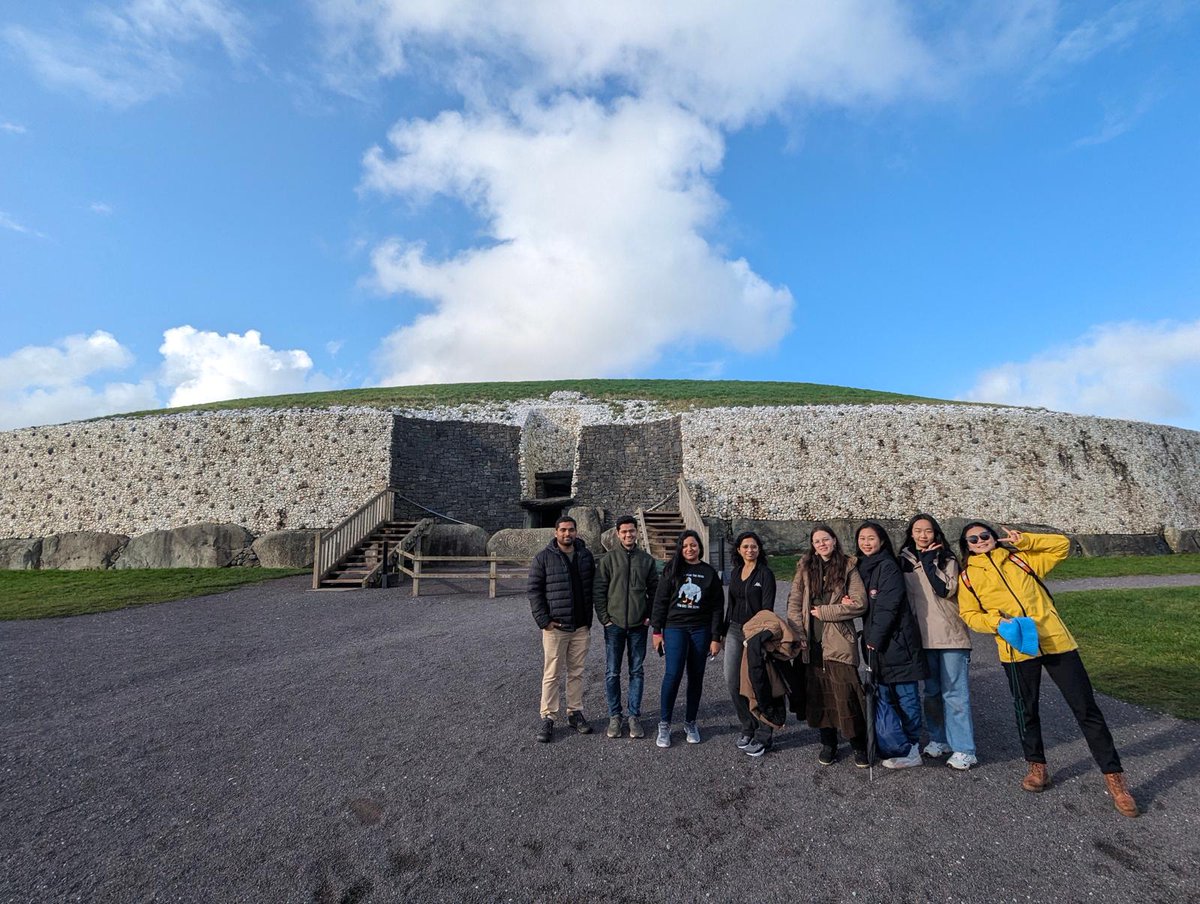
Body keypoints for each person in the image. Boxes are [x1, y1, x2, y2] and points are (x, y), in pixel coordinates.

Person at [957, 522, 1138, 817]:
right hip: (1016, 648)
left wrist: (1025, 540)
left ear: (993, 536)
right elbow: (969, 614)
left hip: (1055, 641)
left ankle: (1115, 779)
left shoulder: (1020, 559)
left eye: (984, 535)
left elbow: (1062, 546)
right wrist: (995, 622)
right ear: (967, 545)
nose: (980, 541)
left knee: (1086, 709)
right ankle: (1037, 767)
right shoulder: (968, 578)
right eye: (973, 539)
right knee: (1025, 710)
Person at [786, 524, 870, 767]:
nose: (821, 544)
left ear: (834, 540)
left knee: (847, 695)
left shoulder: (848, 566)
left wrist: (825, 611)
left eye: (825, 539)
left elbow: (859, 603)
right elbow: (794, 602)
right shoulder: (804, 568)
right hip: (811, 641)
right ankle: (828, 743)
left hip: (839, 640)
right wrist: (798, 632)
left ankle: (858, 744)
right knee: (818, 696)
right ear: (812, 545)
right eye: (816, 541)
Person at [899, 513, 977, 770]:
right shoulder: (905, 561)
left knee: (955, 694)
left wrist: (930, 561)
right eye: (918, 530)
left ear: (935, 534)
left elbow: (946, 589)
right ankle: (939, 738)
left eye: (928, 531)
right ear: (911, 533)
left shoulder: (947, 558)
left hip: (950, 634)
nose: (923, 535)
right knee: (931, 693)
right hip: (923, 637)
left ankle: (965, 749)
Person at [856, 521, 928, 769]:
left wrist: (873, 640)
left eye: (871, 538)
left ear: (882, 541)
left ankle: (912, 746)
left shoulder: (887, 566)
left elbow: (888, 607)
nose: (866, 542)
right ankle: (894, 742)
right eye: (862, 538)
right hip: (881, 642)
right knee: (885, 695)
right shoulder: (863, 566)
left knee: (906, 696)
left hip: (896, 642)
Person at [650, 529, 723, 748]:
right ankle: (665, 723)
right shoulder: (672, 570)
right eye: (685, 546)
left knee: (696, 675)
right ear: (680, 549)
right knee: (673, 674)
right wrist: (656, 631)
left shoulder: (708, 573)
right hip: (675, 628)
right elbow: (660, 601)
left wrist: (715, 636)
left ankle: (690, 722)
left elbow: (717, 607)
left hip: (700, 629)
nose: (689, 549)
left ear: (699, 547)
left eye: (693, 545)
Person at [528, 516, 596, 743]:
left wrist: (590, 619)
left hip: (580, 626)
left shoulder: (585, 556)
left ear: (576, 532)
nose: (568, 534)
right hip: (556, 626)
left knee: (576, 672)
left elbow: (593, 587)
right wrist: (543, 620)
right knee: (552, 673)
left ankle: (574, 712)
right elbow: (534, 591)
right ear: (556, 532)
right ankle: (548, 716)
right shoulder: (543, 558)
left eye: (571, 530)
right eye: (564, 530)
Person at [593, 515, 659, 739]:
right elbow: (599, 591)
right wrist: (605, 618)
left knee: (636, 671)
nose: (628, 535)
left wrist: (649, 615)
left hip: (639, 625)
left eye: (632, 531)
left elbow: (654, 591)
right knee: (612, 672)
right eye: (624, 532)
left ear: (637, 532)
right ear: (617, 534)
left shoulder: (646, 560)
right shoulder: (608, 560)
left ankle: (633, 716)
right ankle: (615, 716)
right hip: (615, 625)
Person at [721, 531, 778, 757]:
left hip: (755, 632)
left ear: (759, 549)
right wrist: (723, 633)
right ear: (739, 550)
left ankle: (765, 731)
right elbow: (730, 604)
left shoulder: (765, 574)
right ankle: (748, 725)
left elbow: (767, 610)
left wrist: (757, 637)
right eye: (745, 547)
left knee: (756, 683)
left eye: (753, 547)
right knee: (732, 680)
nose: (750, 550)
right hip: (735, 629)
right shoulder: (735, 573)